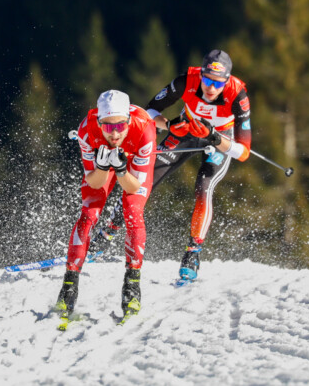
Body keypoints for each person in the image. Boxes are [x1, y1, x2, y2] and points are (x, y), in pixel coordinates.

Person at [91, 50, 252, 282]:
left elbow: (243, 152)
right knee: (144, 179)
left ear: (227, 80)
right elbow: (150, 110)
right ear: (202, 73)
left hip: (220, 138)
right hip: (185, 131)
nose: (211, 87)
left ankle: (193, 253)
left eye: (218, 83)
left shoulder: (238, 95)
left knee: (204, 186)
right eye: (207, 80)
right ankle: (106, 235)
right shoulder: (186, 81)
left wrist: (214, 137)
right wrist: (169, 125)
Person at [55, 90, 157, 322]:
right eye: (108, 127)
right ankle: (69, 285)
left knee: (132, 211)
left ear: (129, 120)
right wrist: (102, 167)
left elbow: (133, 188)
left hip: (132, 162)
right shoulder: (86, 131)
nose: (115, 133)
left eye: (120, 126)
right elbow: (94, 182)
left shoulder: (144, 129)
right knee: (89, 213)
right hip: (102, 162)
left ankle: (132, 284)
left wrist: (120, 169)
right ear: (99, 122)